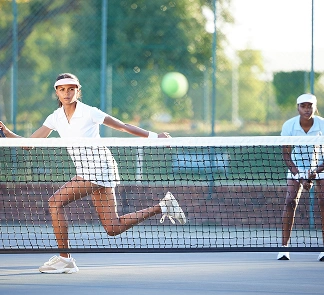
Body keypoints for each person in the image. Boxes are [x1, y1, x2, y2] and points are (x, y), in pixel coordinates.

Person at [0, 73, 186, 273]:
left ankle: (65, 259)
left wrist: (155, 136)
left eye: (71, 88)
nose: (67, 93)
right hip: (88, 171)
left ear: (77, 91)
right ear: (56, 92)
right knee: (112, 227)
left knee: (55, 202)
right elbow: (29, 145)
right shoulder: (55, 118)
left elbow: (123, 127)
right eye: (62, 89)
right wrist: (6, 132)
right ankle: (162, 206)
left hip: (99, 168)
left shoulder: (90, 112)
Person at [277, 93, 324, 262]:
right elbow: (286, 155)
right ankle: (284, 248)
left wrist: (314, 172)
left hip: (322, 165)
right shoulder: (289, 125)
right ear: (298, 107)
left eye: (310, 106)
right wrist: (299, 175)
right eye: (303, 106)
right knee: (290, 202)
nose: (307, 109)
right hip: (297, 165)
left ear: (314, 108)